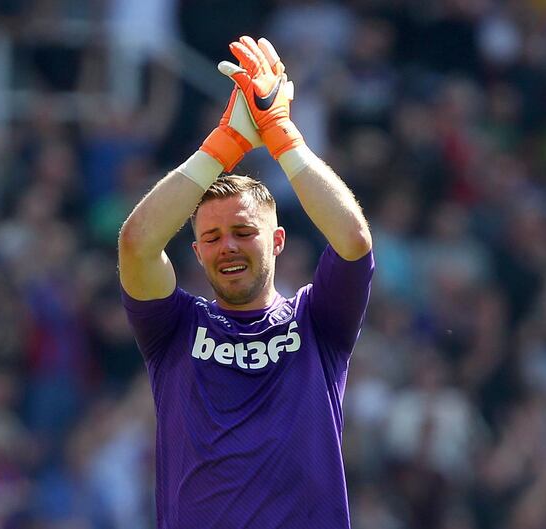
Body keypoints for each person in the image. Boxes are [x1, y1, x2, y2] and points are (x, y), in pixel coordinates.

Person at [118, 35, 374, 529]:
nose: (228, 246)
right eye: (211, 237)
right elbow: (137, 244)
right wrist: (224, 144)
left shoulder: (318, 321)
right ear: (196, 252)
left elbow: (353, 239)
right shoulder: (174, 327)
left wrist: (282, 136)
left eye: (242, 232)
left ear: (277, 240)